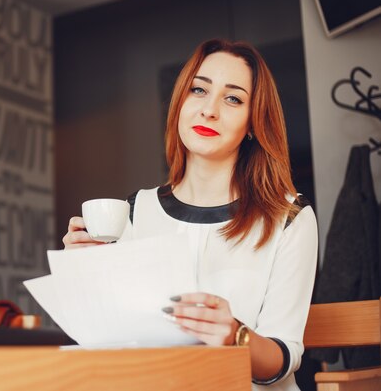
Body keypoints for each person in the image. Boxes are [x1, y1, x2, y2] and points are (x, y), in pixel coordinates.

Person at [62, 38, 318, 391]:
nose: (209, 110)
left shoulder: (289, 217)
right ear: (180, 102)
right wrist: (82, 273)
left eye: (233, 98)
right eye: (199, 90)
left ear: (254, 123)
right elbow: (109, 340)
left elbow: (283, 357)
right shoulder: (135, 212)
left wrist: (236, 335)